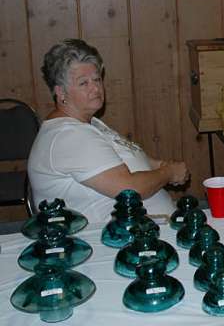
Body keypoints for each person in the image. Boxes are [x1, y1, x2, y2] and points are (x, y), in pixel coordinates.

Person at [28, 39, 190, 223]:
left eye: (97, 79)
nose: (95, 88)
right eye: (83, 83)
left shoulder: (90, 123)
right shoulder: (68, 136)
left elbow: (128, 157)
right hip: (115, 236)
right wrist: (168, 173)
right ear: (61, 92)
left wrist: (162, 165)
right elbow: (129, 190)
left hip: (145, 226)